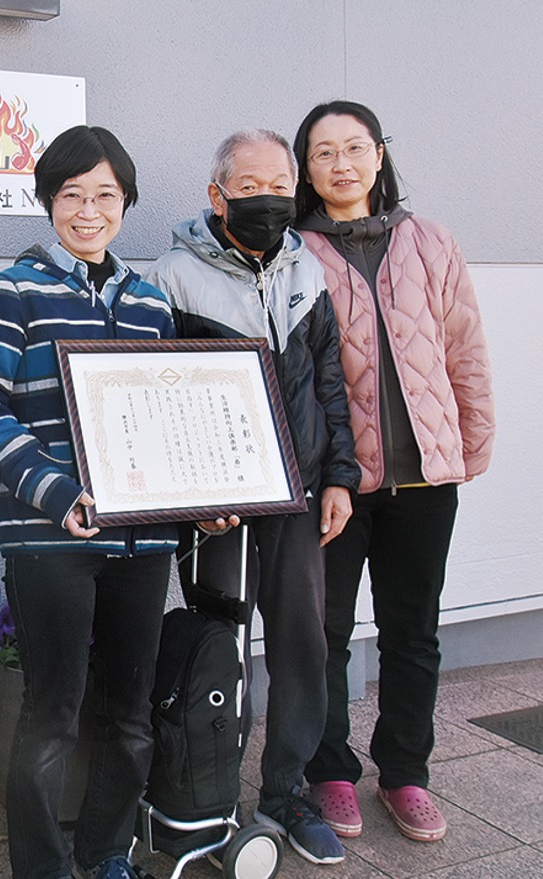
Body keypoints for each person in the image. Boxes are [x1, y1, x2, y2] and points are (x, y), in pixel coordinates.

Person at [0, 125, 177, 879]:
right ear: (49, 201)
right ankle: (44, 868)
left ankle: (107, 853)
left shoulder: (150, 303)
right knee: (52, 712)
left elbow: (164, 421)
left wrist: (199, 501)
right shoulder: (14, 289)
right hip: (48, 537)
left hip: (141, 541)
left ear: (126, 202)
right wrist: (55, 493)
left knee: (131, 714)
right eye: (72, 195)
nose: (89, 211)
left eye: (105, 196)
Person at [144, 129, 360, 866]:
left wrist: (340, 477)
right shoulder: (172, 277)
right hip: (220, 504)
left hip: (297, 492)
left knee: (303, 641)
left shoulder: (308, 271)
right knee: (220, 645)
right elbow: (156, 398)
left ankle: (284, 795)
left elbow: (331, 381)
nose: (266, 200)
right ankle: (209, 801)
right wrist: (191, 497)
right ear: (217, 195)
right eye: (248, 187)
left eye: (279, 186)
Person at [291, 100, 495, 843]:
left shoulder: (431, 240)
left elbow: (464, 348)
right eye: (323, 152)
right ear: (306, 169)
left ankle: (406, 773)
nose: (341, 164)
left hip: (425, 478)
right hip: (337, 484)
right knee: (325, 633)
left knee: (413, 631)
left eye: (355, 148)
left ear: (379, 155)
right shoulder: (295, 253)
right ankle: (331, 771)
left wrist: (470, 442)